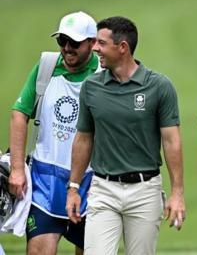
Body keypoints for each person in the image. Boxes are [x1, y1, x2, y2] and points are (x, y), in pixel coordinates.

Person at [65, 16, 186, 255]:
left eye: (101, 43)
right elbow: (84, 138)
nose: (95, 48)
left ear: (122, 48)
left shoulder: (159, 87)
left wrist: (177, 193)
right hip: (103, 189)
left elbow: (171, 141)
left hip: (145, 190)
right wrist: (73, 188)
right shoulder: (91, 87)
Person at [8, 11, 99, 255]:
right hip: (45, 181)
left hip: (90, 183)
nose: (67, 48)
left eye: (75, 43)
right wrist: (17, 168)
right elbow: (20, 113)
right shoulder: (46, 67)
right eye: (62, 41)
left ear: (92, 43)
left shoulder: (103, 75)